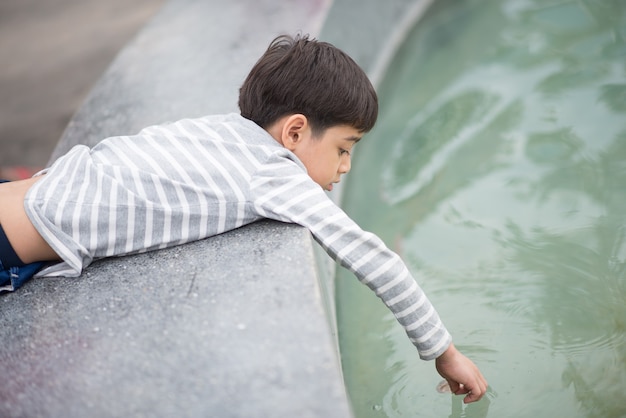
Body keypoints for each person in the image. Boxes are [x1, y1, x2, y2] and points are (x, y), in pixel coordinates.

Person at [0, 34, 487, 402]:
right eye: (343, 148)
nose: (345, 167)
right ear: (295, 132)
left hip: (22, 197)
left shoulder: (223, 131)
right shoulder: (275, 174)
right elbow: (371, 257)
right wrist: (443, 351)